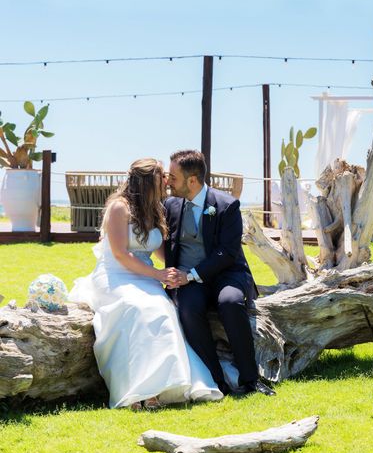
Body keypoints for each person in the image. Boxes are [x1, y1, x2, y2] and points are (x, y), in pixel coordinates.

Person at [69, 158, 224, 409]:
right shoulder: (119, 208)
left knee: (163, 309)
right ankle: (136, 389)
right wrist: (158, 276)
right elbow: (120, 253)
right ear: (146, 181)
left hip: (145, 275)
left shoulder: (156, 208)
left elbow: (161, 253)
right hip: (116, 275)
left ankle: (160, 386)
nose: (166, 181)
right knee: (136, 308)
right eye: (161, 176)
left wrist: (180, 272)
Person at [164, 149, 275, 396]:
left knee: (230, 302)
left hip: (227, 274)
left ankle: (250, 379)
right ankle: (216, 381)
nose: (167, 181)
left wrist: (191, 274)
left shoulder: (226, 205)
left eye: (172, 176)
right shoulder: (171, 205)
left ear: (192, 181)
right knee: (188, 308)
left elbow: (227, 253)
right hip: (190, 282)